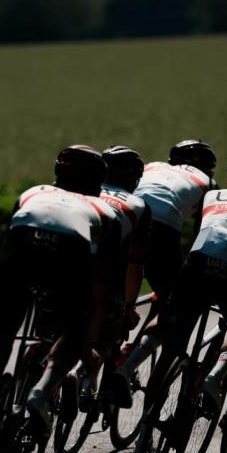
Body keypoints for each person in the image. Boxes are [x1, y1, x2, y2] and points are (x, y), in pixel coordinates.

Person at [0, 145, 119, 453]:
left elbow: (7, 244)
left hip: (18, 259)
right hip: (67, 261)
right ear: (98, 182)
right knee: (76, 329)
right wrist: (87, 337)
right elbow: (102, 285)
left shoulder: (32, 193)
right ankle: (43, 388)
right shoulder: (106, 212)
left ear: (57, 172)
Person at [118, 147, 227, 409]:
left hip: (196, 267)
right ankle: (213, 377)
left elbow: (201, 236)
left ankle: (143, 417)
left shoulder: (212, 197)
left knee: (171, 336)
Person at [109, 139, 217, 406]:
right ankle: (126, 366)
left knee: (113, 290)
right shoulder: (208, 184)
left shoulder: (151, 166)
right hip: (163, 233)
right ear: (208, 168)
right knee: (177, 306)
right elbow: (201, 236)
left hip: (124, 217)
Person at [72, 145, 151, 404]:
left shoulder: (83, 191)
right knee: (114, 320)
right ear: (134, 179)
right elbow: (134, 265)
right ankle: (85, 375)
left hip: (65, 259)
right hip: (103, 270)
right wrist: (128, 305)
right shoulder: (138, 205)